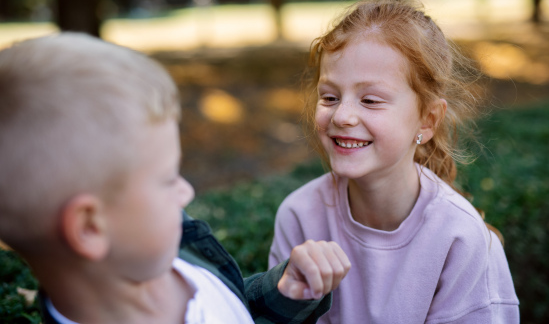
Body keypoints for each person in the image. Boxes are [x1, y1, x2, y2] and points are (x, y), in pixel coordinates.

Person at [0, 33, 351, 324]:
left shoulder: (180, 252)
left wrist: (285, 293)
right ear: (90, 227)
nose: (187, 191)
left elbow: (236, 311)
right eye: (167, 180)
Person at [269, 0, 519, 323]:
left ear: (427, 119)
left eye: (370, 100)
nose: (342, 115)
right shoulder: (299, 216)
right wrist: (286, 299)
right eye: (329, 96)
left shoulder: (460, 240)